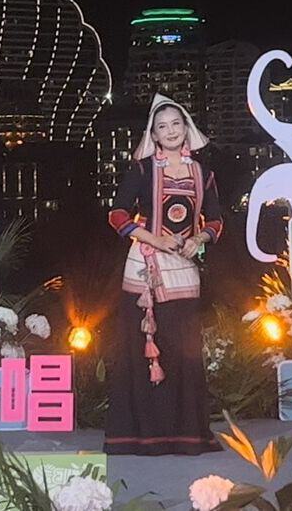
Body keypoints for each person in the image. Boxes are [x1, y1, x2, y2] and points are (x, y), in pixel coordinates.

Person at [104, 95, 223, 455]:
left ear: (186, 128)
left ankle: (185, 435)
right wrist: (155, 239)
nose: (170, 131)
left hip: (184, 268)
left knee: (184, 351)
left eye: (176, 124)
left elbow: (216, 220)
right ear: (153, 135)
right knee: (140, 350)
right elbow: (117, 215)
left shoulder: (203, 173)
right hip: (144, 268)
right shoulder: (142, 170)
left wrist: (198, 240)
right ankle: (141, 436)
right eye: (162, 126)